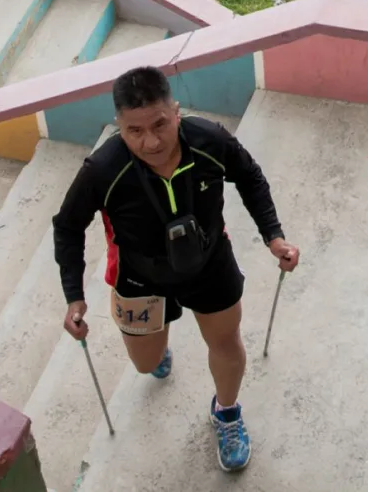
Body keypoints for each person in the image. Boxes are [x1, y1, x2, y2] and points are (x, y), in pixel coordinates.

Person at [52, 66, 300, 474]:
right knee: (146, 365)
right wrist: (74, 296)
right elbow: (67, 226)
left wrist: (274, 236)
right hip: (140, 276)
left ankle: (226, 412)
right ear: (119, 125)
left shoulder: (210, 141)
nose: (149, 141)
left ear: (176, 112)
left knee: (225, 341)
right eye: (134, 131)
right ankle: (158, 347)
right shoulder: (102, 170)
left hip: (209, 263)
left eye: (159, 125)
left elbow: (250, 178)